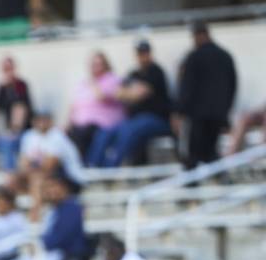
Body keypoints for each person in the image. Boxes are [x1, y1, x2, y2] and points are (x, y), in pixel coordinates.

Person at [88, 41, 172, 168]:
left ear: (150, 53)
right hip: (136, 120)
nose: (142, 56)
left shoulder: (156, 71)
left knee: (129, 130)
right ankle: (92, 167)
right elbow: (119, 93)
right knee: (106, 131)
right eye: (139, 53)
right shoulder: (134, 74)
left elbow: (139, 93)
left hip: (156, 119)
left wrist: (128, 92)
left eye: (145, 52)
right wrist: (129, 92)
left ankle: (109, 170)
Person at [176, 22, 237, 170]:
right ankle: (222, 180)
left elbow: (187, 87)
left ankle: (192, 188)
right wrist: (225, 112)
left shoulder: (193, 57)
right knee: (210, 152)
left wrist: (180, 112)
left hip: (198, 116)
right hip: (218, 115)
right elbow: (232, 87)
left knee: (194, 155)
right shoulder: (225, 56)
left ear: (198, 35)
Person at [14, 110, 84, 218]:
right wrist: (27, 170)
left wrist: (29, 170)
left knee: (37, 180)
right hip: (46, 176)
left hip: (70, 177)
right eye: (38, 120)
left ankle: (35, 214)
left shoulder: (57, 136)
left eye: (44, 120)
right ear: (33, 122)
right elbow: (22, 164)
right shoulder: (29, 136)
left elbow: (49, 166)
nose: (41, 123)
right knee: (12, 179)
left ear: (50, 122)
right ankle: (14, 217)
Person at [67, 52, 123, 160]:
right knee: (68, 135)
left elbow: (101, 96)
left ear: (106, 65)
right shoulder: (83, 83)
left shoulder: (111, 79)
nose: (95, 68)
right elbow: (74, 105)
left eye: (99, 64)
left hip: (102, 125)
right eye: (93, 65)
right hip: (81, 125)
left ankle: (87, 165)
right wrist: (67, 124)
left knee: (83, 134)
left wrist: (93, 83)